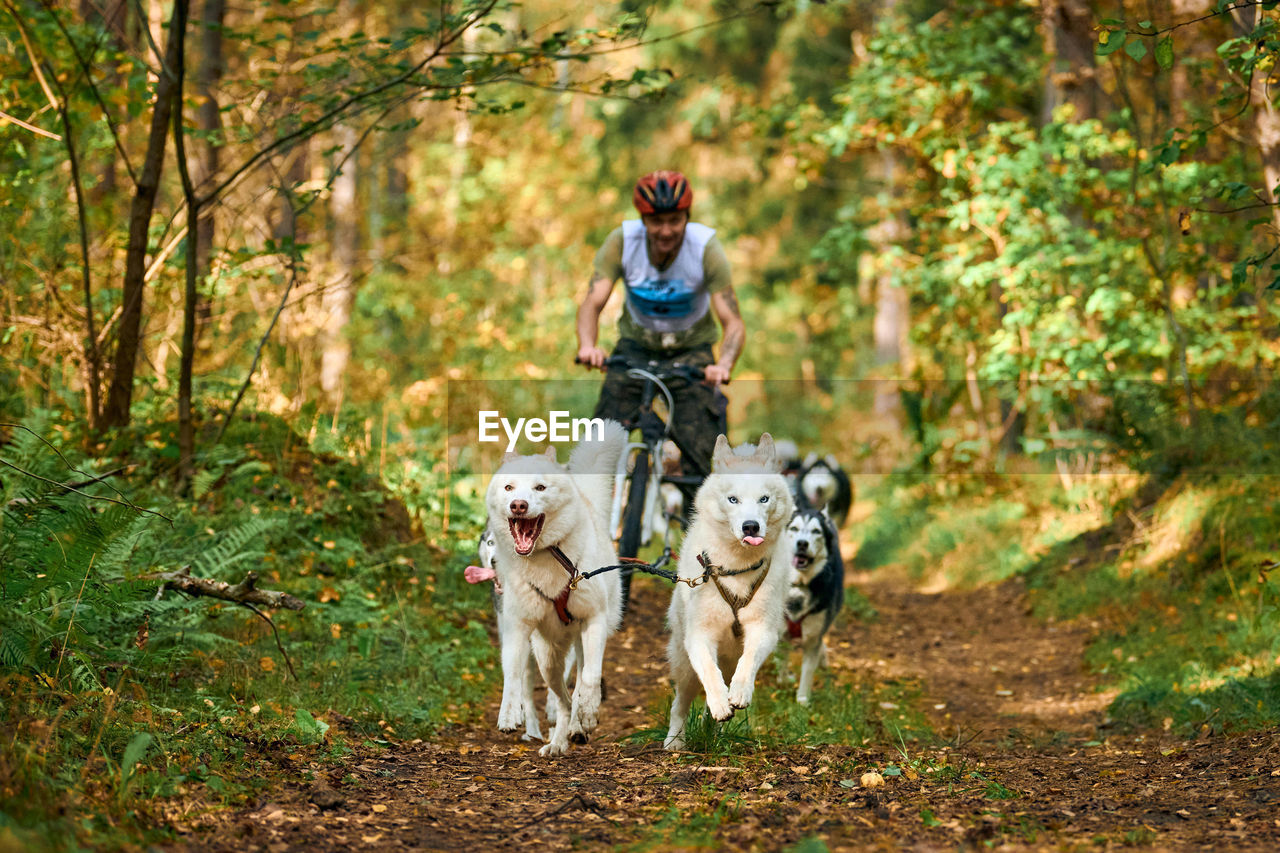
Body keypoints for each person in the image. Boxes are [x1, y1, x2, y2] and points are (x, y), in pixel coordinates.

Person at [576, 170, 745, 506]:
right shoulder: (623, 242)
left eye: (675, 220)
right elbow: (591, 303)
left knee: (705, 460)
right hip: (635, 349)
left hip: (691, 353)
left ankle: (712, 540)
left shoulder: (704, 248)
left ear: (687, 217)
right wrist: (587, 346)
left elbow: (733, 322)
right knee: (594, 450)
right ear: (643, 220)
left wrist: (723, 364)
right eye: (656, 222)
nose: (666, 230)